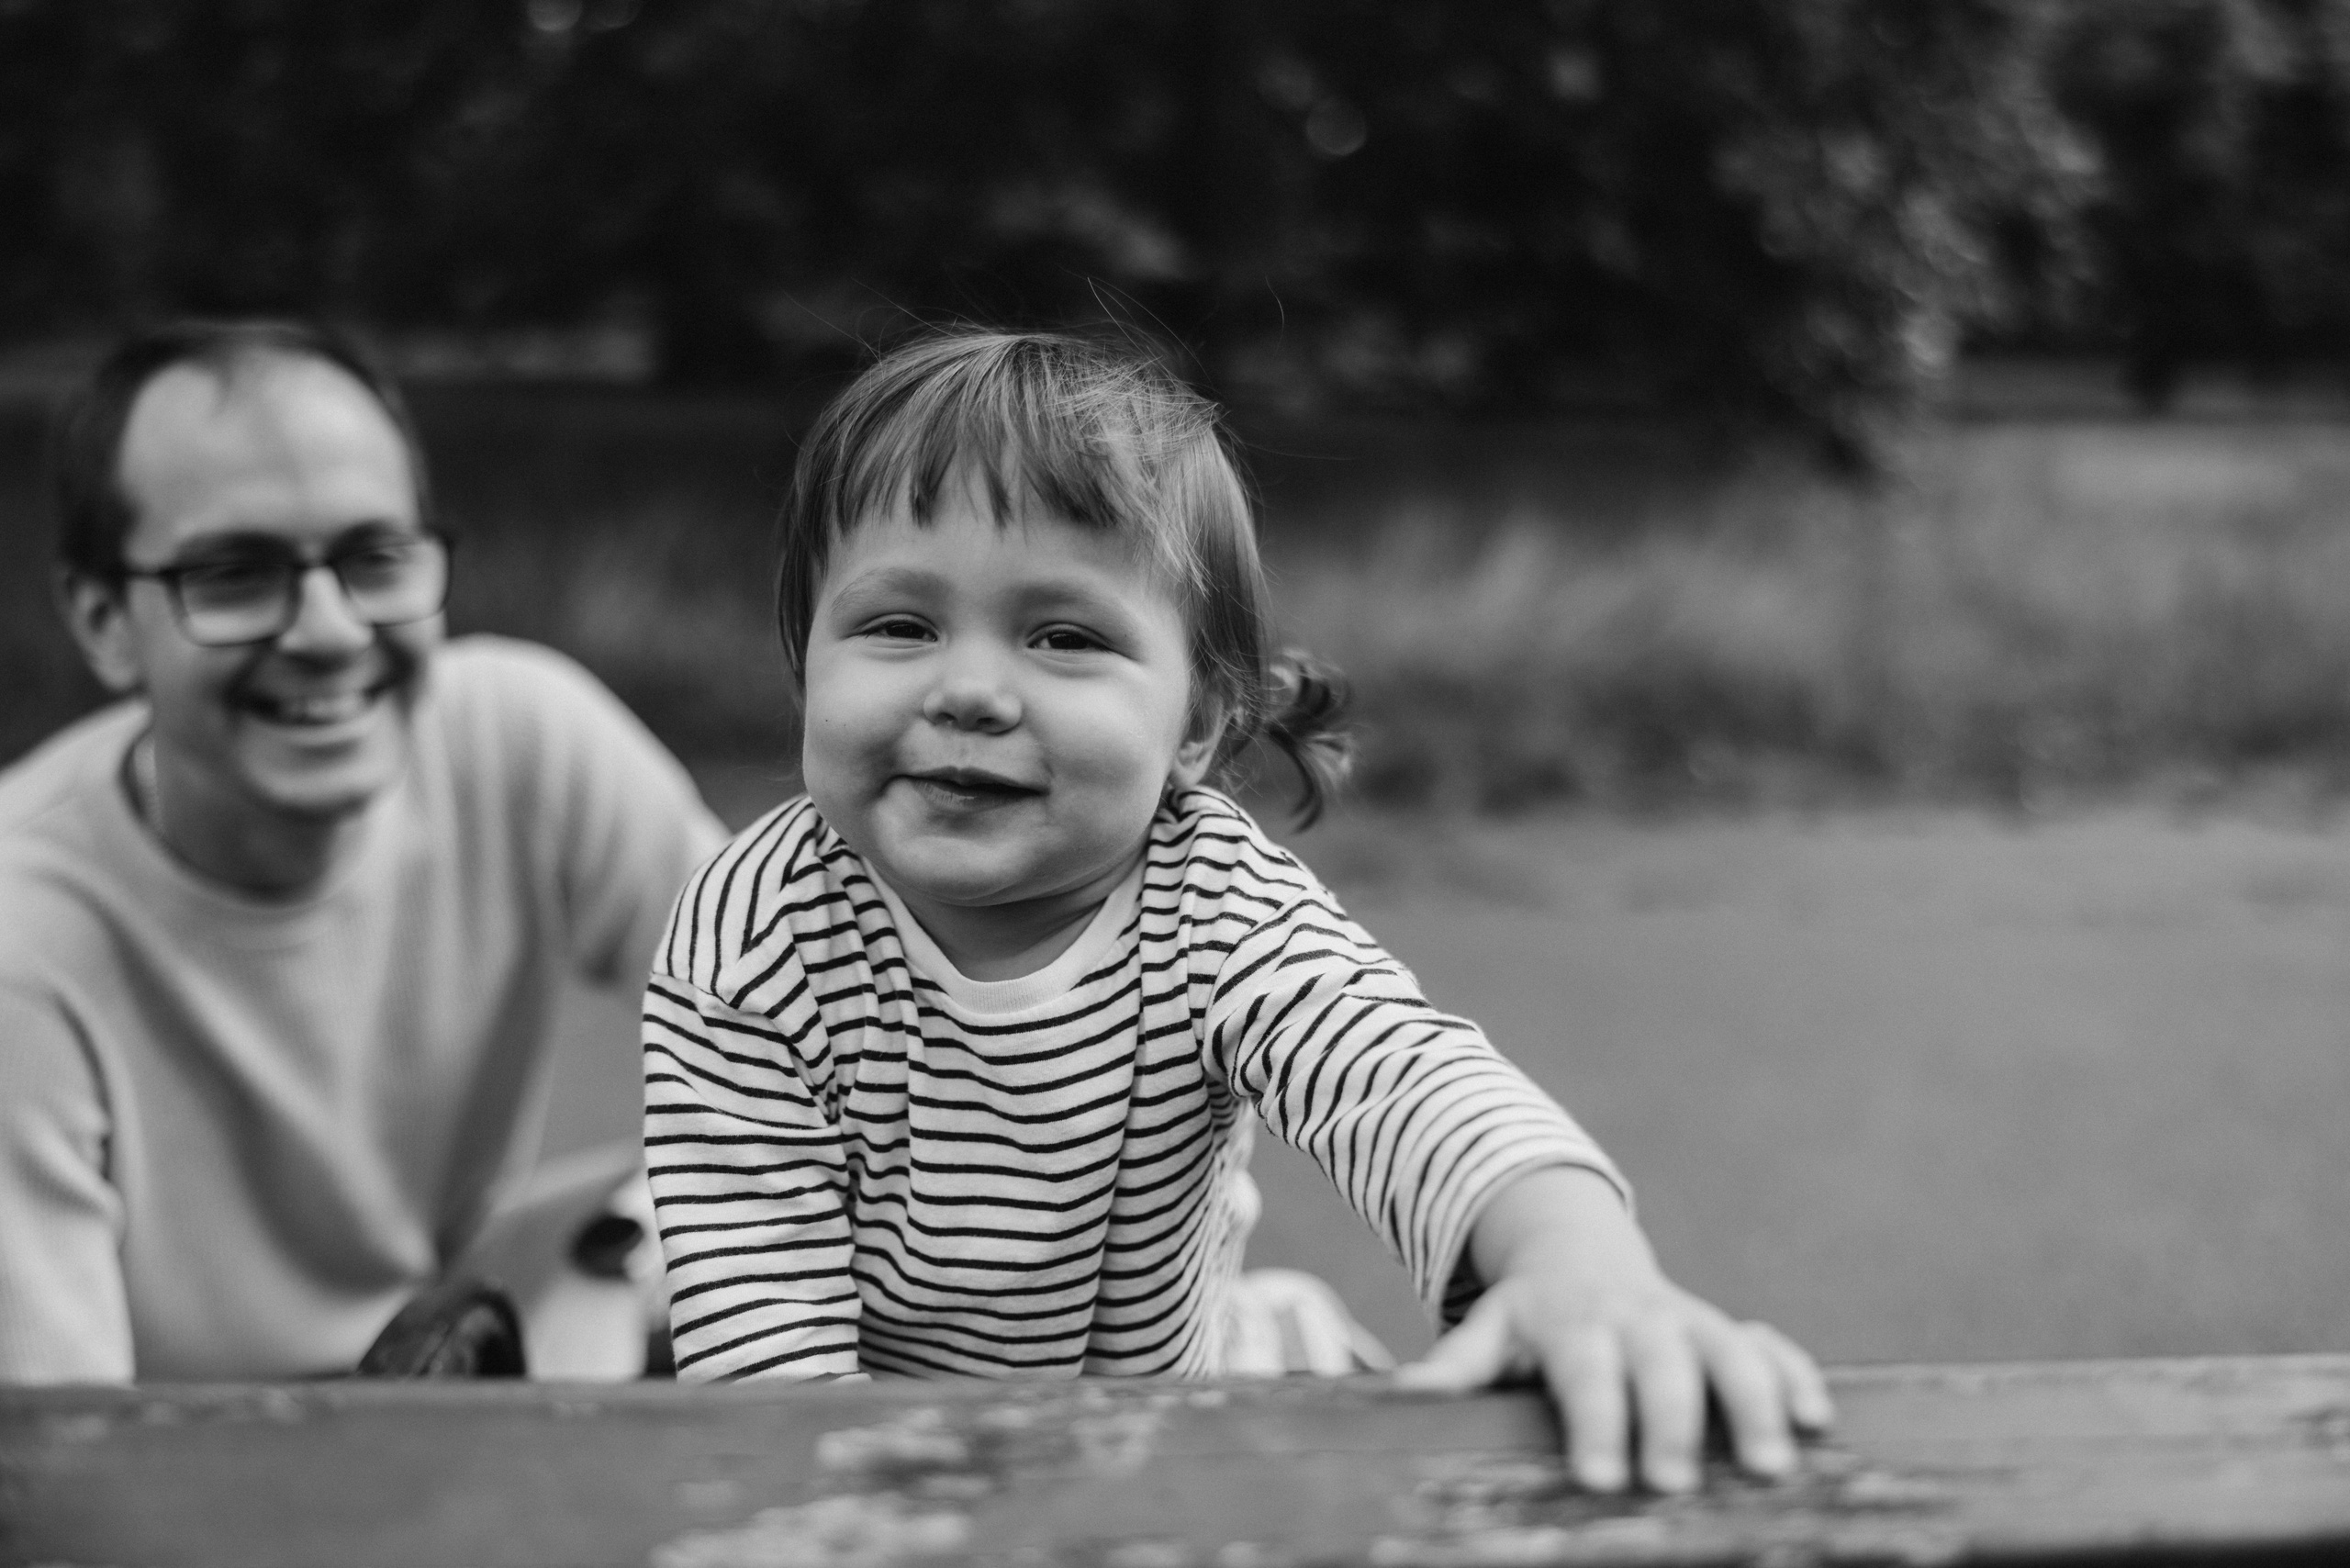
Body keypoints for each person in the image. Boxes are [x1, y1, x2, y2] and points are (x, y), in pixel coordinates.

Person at [643, 330, 1833, 1494]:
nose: (966, 690)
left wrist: (1579, 1260)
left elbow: (1397, 1071)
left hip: (1168, 1408)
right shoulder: (752, 938)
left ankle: (1286, 1335)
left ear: (1198, 731)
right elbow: (771, 1371)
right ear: (808, 666)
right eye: (898, 626)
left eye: (1064, 636)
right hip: (888, 1427)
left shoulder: (1208, 899)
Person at [0, 320, 724, 1382]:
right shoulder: (26, 940)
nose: (331, 628)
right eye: (236, 573)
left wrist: (614, 1254)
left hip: (442, 1339)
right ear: (106, 618)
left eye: (374, 557)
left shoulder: (523, 740)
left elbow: (817, 1039)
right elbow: (59, 1466)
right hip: (199, 1464)